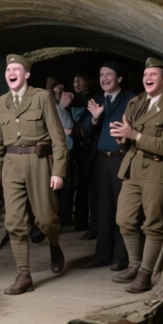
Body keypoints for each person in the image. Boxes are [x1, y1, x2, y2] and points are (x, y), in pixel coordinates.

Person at [0, 54, 68, 295]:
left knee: (46, 219)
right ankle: (24, 275)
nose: (11, 73)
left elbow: (58, 137)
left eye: (16, 69)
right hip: (11, 164)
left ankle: (54, 245)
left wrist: (58, 172)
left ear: (26, 74)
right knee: (14, 222)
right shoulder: (0, 103)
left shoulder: (41, 97)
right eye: (8, 70)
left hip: (38, 162)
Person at [109, 57, 163, 292]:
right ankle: (134, 263)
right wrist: (123, 138)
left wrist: (134, 135)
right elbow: (128, 138)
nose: (148, 78)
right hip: (132, 169)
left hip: (157, 171)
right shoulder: (136, 102)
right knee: (124, 219)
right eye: (146, 75)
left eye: (154, 74)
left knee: (153, 225)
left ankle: (145, 273)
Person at [77, 62, 135, 271]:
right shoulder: (97, 100)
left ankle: (120, 257)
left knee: (123, 209)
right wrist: (94, 118)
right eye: (101, 74)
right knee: (103, 209)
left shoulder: (131, 99)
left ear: (119, 78)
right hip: (101, 161)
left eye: (109, 74)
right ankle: (102, 255)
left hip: (121, 158)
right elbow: (84, 130)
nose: (104, 78)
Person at [47, 74, 76, 226]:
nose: (62, 90)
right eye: (58, 87)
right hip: (58, 152)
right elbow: (68, 130)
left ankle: (62, 218)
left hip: (62, 151)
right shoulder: (55, 107)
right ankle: (60, 218)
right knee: (60, 186)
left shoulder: (60, 106)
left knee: (63, 186)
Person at [70, 72, 97, 235]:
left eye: (80, 80)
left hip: (90, 149)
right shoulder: (71, 99)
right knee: (79, 186)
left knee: (88, 186)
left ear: (87, 82)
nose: (77, 83)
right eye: (75, 81)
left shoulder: (92, 100)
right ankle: (80, 220)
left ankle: (89, 221)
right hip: (78, 150)